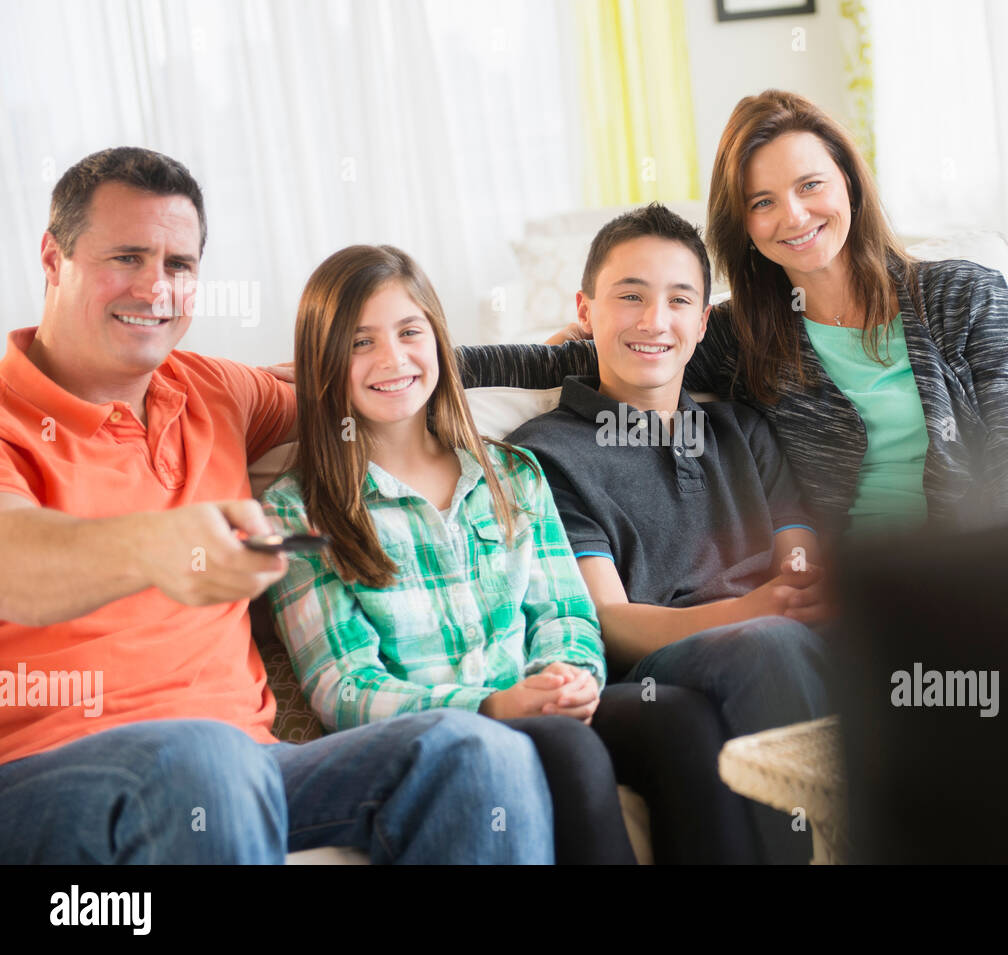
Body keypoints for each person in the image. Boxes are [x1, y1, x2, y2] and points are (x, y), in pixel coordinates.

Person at [0, 147, 553, 864]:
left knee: (476, 751)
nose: (155, 287)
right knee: (202, 761)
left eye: (179, 265)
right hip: (47, 781)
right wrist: (153, 547)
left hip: (248, 767)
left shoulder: (213, 391)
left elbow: (358, 375)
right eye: (127, 257)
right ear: (53, 257)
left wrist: (568, 356)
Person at [262, 244, 760, 864]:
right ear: (324, 362)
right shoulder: (299, 510)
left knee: (680, 721)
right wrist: (494, 704)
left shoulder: (509, 472)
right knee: (565, 746)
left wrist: (566, 678)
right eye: (360, 343)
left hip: (540, 698)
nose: (392, 359)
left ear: (439, 343)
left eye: (409, 332)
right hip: (442, 726)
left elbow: (568, 615)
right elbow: (343, 685)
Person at [456, 89, 1008, 540]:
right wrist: (410, 358)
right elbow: (582, 359)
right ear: (742, 226)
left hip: (980, 564)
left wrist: (995, 573)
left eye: (810, 186)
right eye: (763, 202)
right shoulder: (738, 334)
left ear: (848, 182)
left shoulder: (964, 294)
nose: (793, 217)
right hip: (850, 596)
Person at [505, 204, 829, 864]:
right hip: (656, 671)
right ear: (586, 308)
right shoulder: (546, 454)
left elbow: (796, 544)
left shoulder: (741, 429)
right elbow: (611, 617)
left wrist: (798, 585)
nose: (655, 321)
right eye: (631, 296)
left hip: (776, 640)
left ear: (703, 322)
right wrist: (752, 610)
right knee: (765, 643)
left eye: (679, 300)